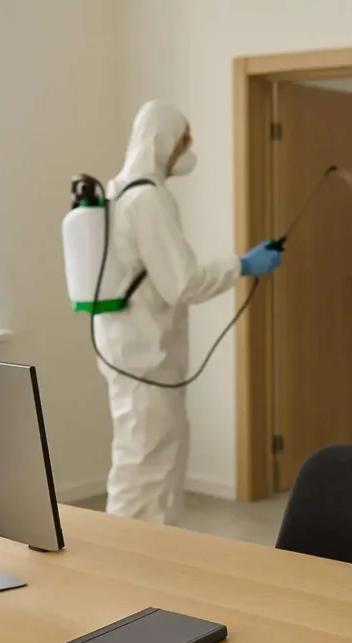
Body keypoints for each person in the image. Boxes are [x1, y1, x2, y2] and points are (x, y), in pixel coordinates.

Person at [96, 100, 282, 525]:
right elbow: (181, 283)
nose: (187, 148)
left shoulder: (118, 190)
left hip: (128, 350)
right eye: (183, 139)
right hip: (146, 358)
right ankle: (135, 562)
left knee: (142, 459)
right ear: (163, 142)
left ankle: (138, 558)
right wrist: (242, 265)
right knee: (148, 468)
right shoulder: (147, 199)